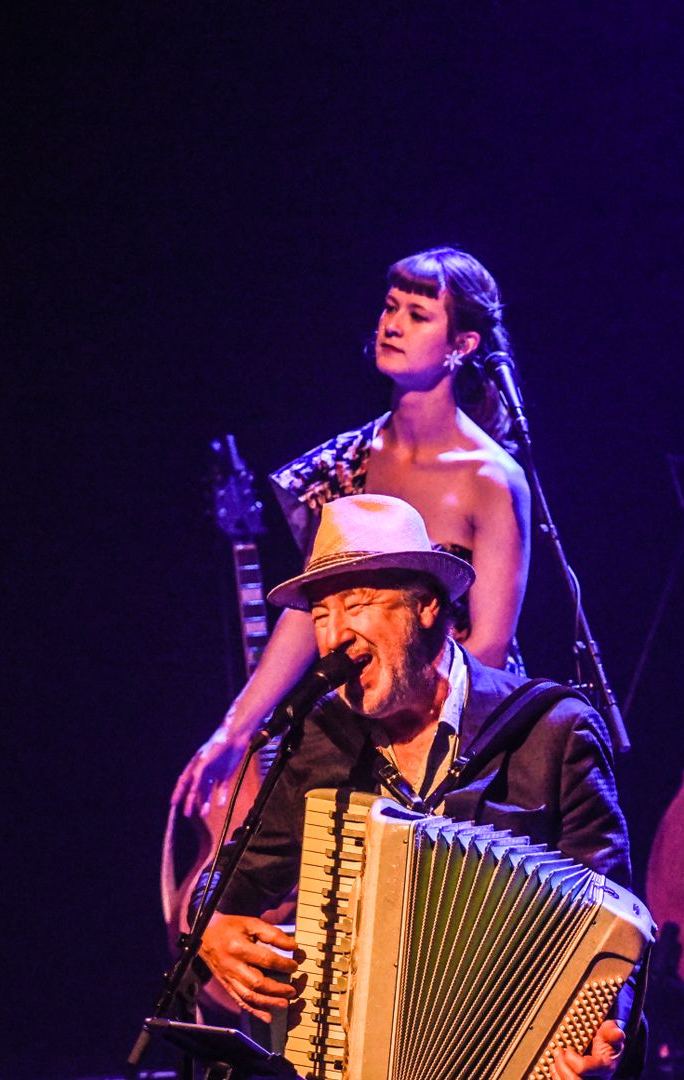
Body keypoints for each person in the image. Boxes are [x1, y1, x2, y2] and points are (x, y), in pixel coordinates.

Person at [192, 494, 631, 1080]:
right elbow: (227, 880)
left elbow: (612, 924)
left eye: (358, 604)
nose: (335, 636)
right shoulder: (321, 740)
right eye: (321, 614)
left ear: (425, 606)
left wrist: (596, 1030)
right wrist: (212, 928)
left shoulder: (553, 731)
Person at [172, 246, 532, 820]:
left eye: (418, 314)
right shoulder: (347, 463)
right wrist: (236, 730)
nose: (393, 324)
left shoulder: (490, 476)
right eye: (391, 307)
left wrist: (412, 723)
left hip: (464, 742)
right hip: (361, 724)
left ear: (462, 346)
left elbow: (489, 644)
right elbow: (311, 606)